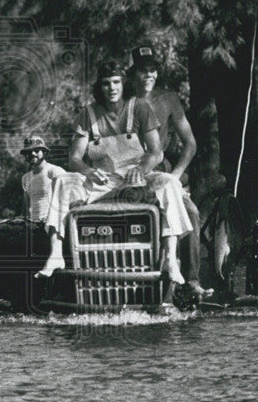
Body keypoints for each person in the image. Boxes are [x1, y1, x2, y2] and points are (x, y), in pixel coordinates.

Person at [38, 61, 193, 283]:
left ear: (123, 84)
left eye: (116, 82)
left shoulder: (139, 107)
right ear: (99, 87)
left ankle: (169, 258)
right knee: (63, 181)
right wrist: (89, 171)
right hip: (101, 181)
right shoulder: (88, 114)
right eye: (106, 83)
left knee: (169, 183)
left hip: (135, 181)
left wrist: (141, 169)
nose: (111, 88)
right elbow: (74, 158)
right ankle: (55, 254)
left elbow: (156, 153)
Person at [130, 45, 211, 299]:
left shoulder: (168, 99)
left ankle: (192, 280)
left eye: (153, 70)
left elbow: (191, 144)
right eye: (144, 70)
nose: (149, 75)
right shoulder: (122, 99)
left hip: (160, 170)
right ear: (133, 72)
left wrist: (176, 176)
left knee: (192, 212)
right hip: (129, 171)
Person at [20, 135, 67, 222]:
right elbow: (26, 207)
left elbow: (66, 202)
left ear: (44, 152)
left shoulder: (54, 171)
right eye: (29, 152)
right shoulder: (25, 178)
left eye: (37, 151)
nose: (33, 154)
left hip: (53, 224)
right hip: (33, 225)